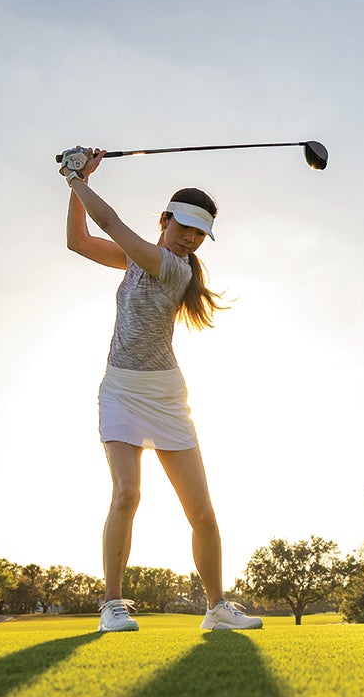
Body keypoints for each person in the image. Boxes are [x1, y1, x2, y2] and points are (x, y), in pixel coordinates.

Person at [62, 147, 263, 633]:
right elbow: (79, 240)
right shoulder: (138, 260)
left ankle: (216, 608)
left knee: (202, 512)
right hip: (120, 391)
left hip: (166, 397)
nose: (191, 240)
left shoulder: (177, 268)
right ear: (165, 220)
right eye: (185, 228)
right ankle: (112, 606)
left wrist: (76, 176)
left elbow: (109, 221)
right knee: (127, 494)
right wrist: (76, 185)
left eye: (200, 234)